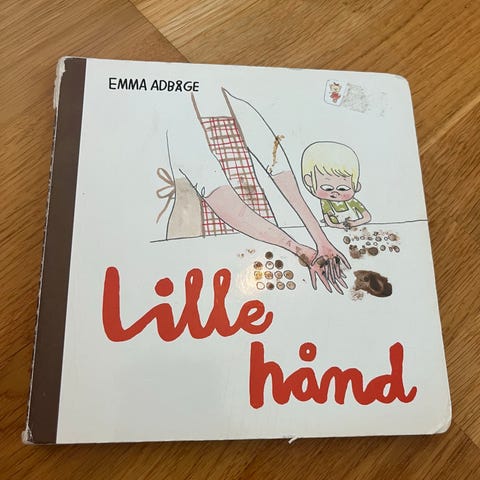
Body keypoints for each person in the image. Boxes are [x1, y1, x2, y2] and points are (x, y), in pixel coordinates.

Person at [162, 89, 350, 294]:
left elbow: (280, 172)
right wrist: (297, 248)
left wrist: (321, 241)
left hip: (263, 230)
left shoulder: (240, 107)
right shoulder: (181, 122)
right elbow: (225, 203)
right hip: (202, 230)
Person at [301, 142, 371, 230]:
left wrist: (353, 223)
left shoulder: (352, 202)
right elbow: (329, 221)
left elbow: (367, 217)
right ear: (309, 181)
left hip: (357, 231)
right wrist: (338, 226)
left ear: (356, 186)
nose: (335, 193)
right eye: (327, 188)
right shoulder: (325, 202)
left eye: (343, 188)